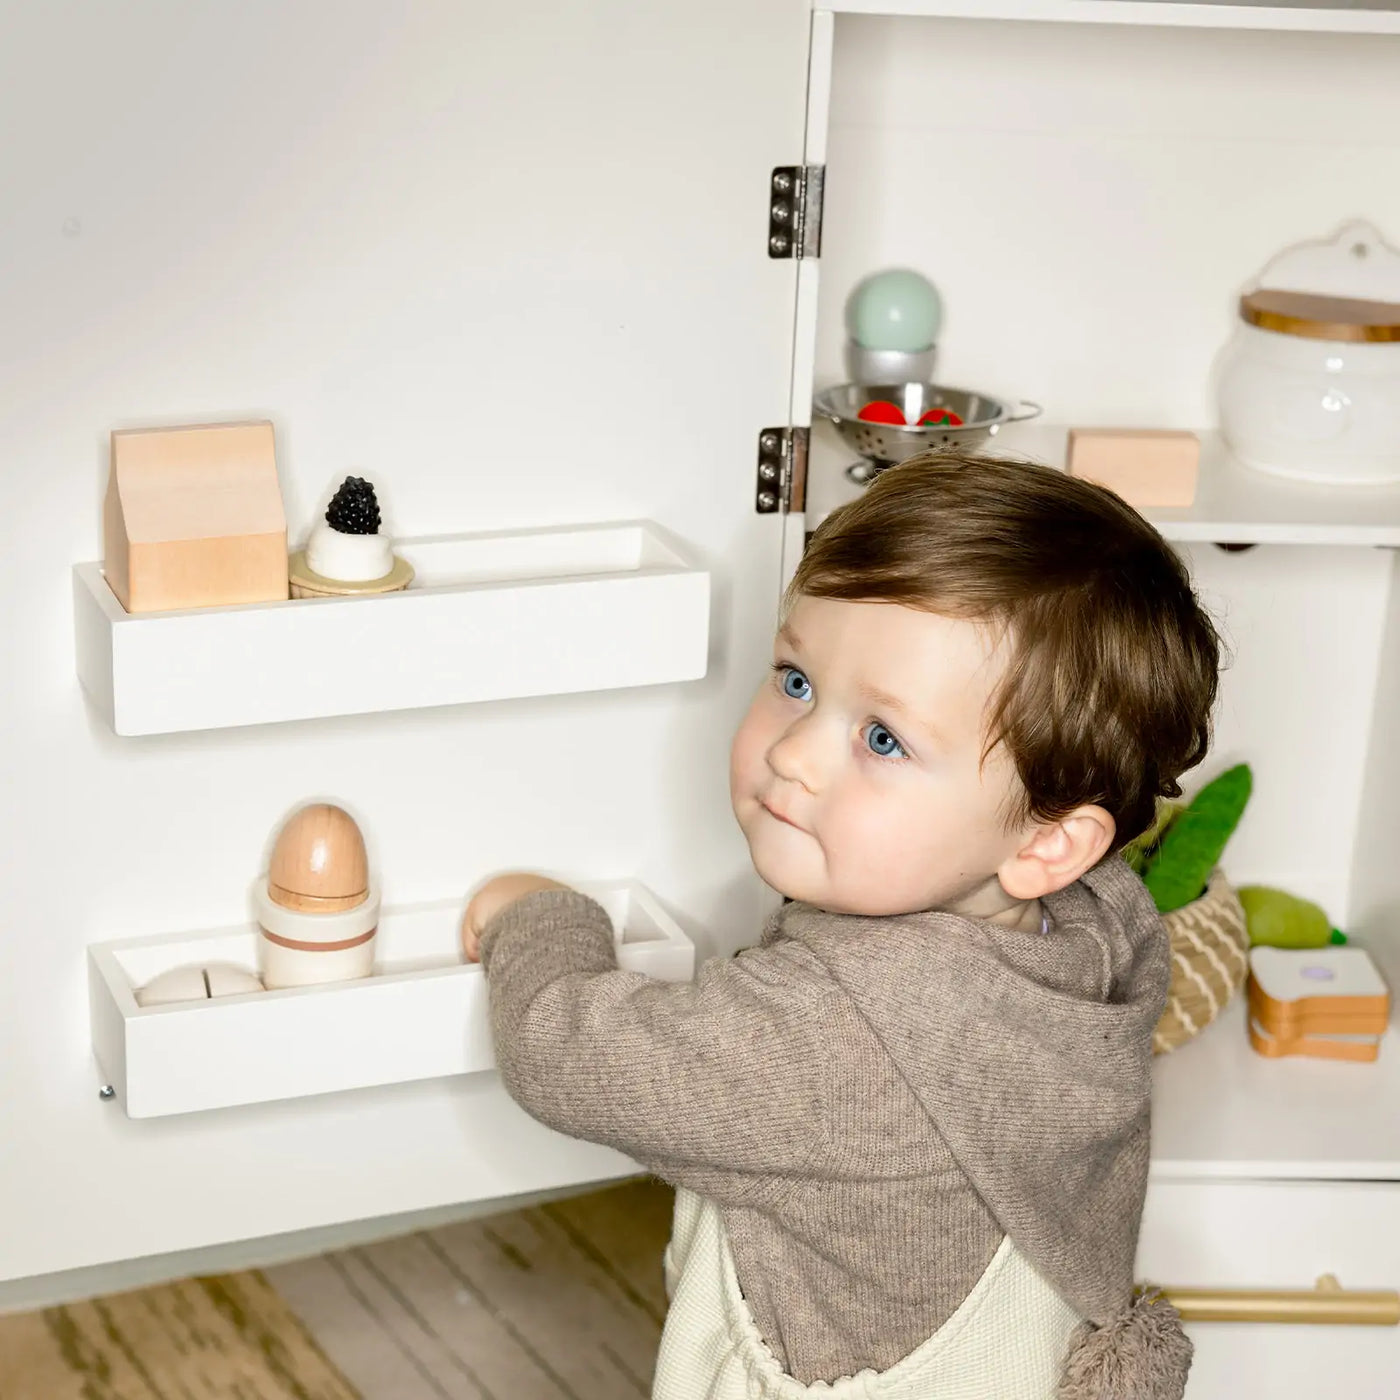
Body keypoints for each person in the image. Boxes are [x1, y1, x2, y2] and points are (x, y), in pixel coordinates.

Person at [461, 449, 1219, 1400]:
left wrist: (537, 917)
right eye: (796, 679)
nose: (794, 753)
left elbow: (563, 1055)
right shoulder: (1094, 934)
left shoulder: (832, 1037)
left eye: (884, 738)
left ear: (1048, 844)